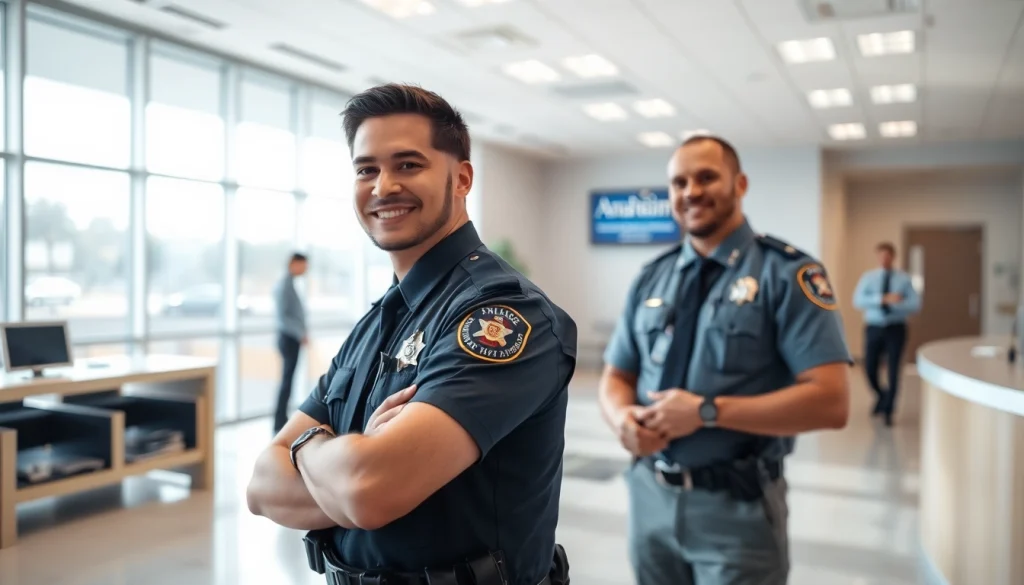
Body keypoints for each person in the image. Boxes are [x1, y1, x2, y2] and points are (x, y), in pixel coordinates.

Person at [246, 83, 576, 585]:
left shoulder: (503, 316)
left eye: (407, 165)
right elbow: (261, 487)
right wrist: (353, 466)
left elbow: (368, 491)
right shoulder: (380, 319)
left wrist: (309, 446)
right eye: (366, 169)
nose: (382, 188)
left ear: (462, 178)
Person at [599, 134, 852, 585]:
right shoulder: (652, 277)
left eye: (706, 177)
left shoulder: (788, 273)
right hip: (649, 501)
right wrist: (622, 420)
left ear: (740, 184)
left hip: (738, 511)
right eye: (679, 182)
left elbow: (831, 402)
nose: (691, 191)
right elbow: (616, 374)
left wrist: (706, 413)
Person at [852, 241, 921, 426]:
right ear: (877, 256)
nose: (884, 259)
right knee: (870, 368)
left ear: (893, 257)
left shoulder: (904, 279)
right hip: (874, 327)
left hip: (895, 328)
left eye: (888, 256)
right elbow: (857, 300)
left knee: (893, 369)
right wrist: (881, 299)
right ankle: (882, 396)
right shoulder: (869, 278)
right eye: (881, 256)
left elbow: (915, 305)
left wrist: (895, 302)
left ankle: (889, 409)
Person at [273, 252, 309, 434]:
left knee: (288, 380)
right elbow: (283, 317)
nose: (305, 270)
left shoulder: (290, 284)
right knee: (286, 381)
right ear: (294, 263)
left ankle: (281, 419)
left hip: (290, 338)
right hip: (288, 338)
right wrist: (300, 333)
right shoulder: (285, 285)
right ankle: (279, 421)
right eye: (304, 265)